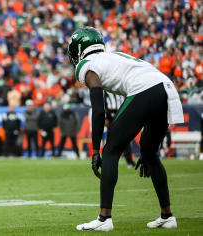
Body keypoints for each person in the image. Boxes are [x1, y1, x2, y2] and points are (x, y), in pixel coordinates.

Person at [69, 27, 183, 231]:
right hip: (165, 87)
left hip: (145, 90)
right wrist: (148, 145)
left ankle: (104, 219)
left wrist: (96, 151)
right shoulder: (115, 56)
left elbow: (98, 111)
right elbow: (151, 84)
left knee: (111, 149)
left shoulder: (88, 65)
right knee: (149, 153)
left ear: (80, 49)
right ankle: (167, 216)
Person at [104, 91, 136, 168]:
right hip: (112, 114)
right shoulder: (106, 89)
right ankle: (109, 161)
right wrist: (106, 117)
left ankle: (129, 161)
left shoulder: (121, 85)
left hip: (122, 112)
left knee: (124, 140)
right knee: (112, 140)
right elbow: (104, 103)